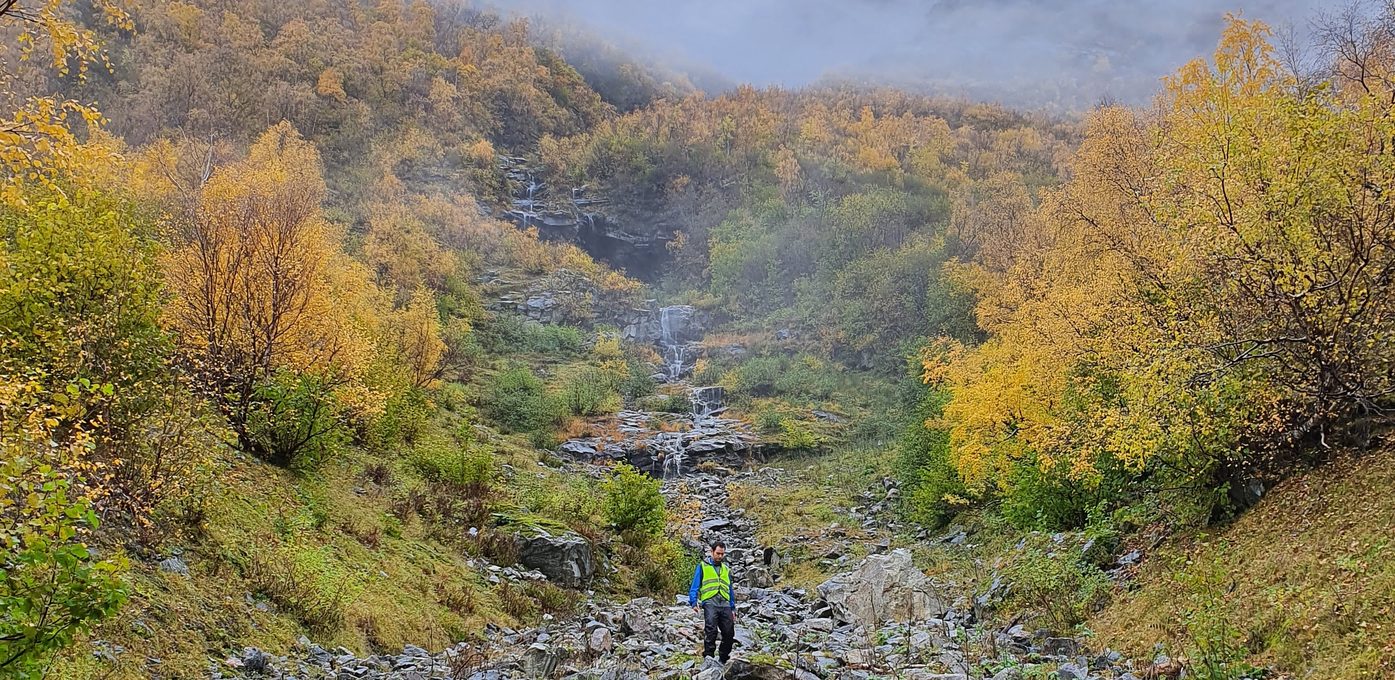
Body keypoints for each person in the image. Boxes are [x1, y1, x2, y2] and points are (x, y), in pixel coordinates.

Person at [688, 540, 737, 662]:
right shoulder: (703, 566)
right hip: (710, 601)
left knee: (729, 632)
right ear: (712, 552)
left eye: (722, 554)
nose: (720, 556)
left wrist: (732, 608)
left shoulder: (726, 569)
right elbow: (695, 585)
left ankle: (723, 658)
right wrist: (693, 602)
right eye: (718, 553)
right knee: (711, 629)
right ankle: (709, 657)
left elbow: (730, 589)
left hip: (725, 603)